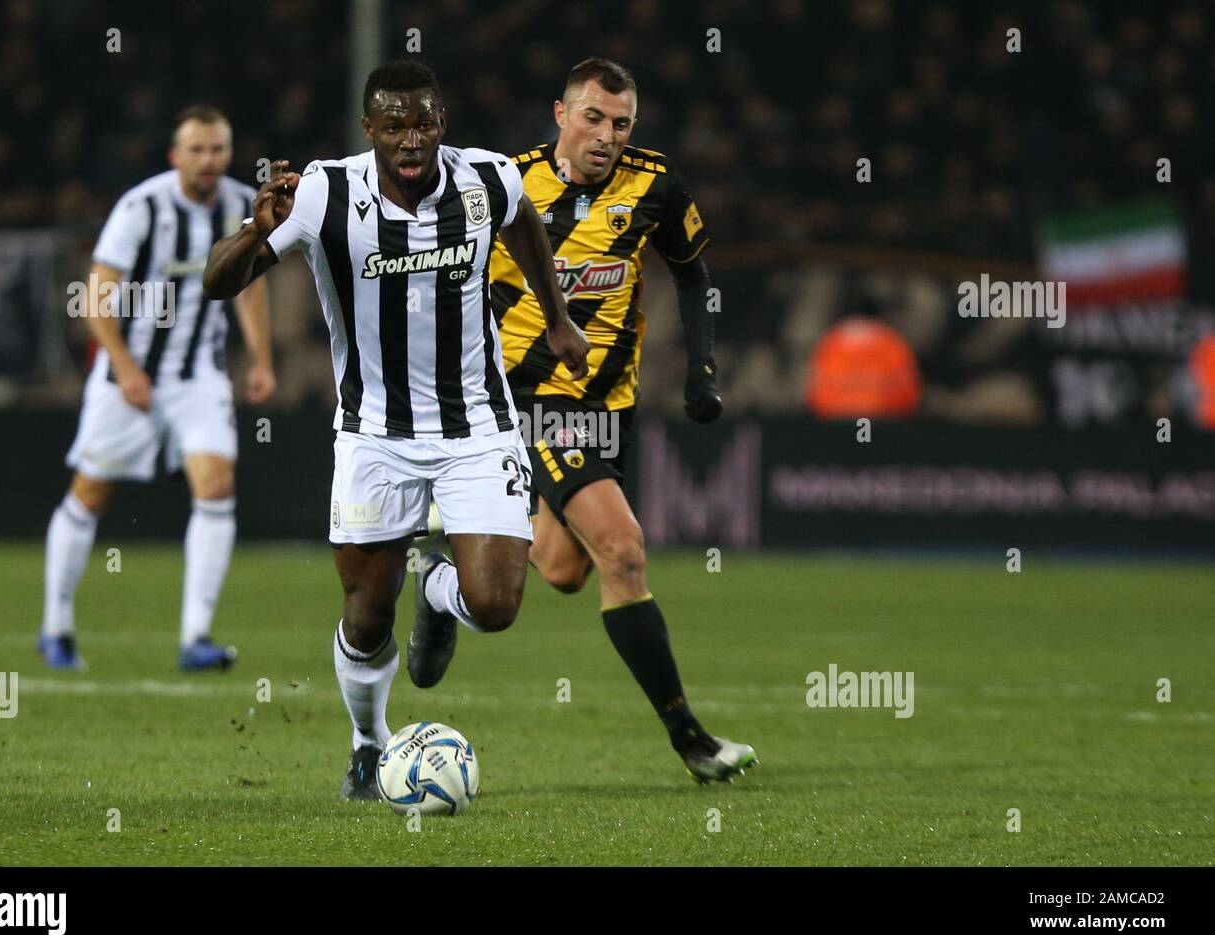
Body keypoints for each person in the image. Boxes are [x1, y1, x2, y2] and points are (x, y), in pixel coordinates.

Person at [202, 61, 588, 800]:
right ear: (369, 130)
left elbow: (525, 221)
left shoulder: (486, 178)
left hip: (478, 423)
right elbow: (219, 284)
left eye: (423, 122)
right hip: (373, 434)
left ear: (442, 122)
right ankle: (366, 744)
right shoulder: (324, 193)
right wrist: (256, 229)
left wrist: (559, 315)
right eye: (394, 125)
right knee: (368, 612)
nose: (411, 139)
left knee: (498, 606)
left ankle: (440, 595)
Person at [485, 58, 756, 783]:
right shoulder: (504, 185)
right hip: (528, 402)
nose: (607, 135)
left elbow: (693, 273)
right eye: (594, 118)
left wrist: (702, 371)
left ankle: (451, 562)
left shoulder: (655, 187)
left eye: (622, 123)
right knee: (625, 551)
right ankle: (690, 739)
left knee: (568, 570)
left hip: (611, 407)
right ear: (561, 113)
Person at [39, 105, 274, 672]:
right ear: (176, 157)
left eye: (218, 149)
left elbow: (248, 289)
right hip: (129, 376)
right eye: (197, 150)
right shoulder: (141, 208)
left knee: (216, 486)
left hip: (198, 376)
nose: (209, 160)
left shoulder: (244, 207)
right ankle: (57, 627)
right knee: (91, 492)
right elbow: (97, 296)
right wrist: (124, 366)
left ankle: (196, 638)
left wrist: (262, 359)